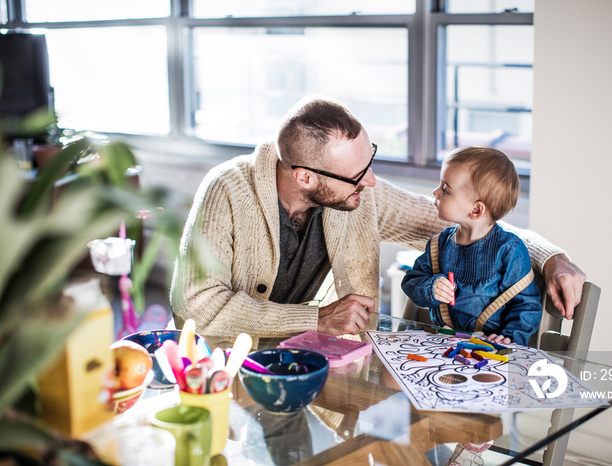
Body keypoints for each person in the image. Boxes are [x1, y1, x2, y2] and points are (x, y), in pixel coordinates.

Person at [170, 95, 585, 348]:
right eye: (356, 175)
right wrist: (315, 319)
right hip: (221, 368)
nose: (369, 181)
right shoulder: (227, 190)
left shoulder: (361, 194)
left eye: (370, 162)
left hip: (320, 363)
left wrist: (550, 257)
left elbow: (467, 228)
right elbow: (196, 305)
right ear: (305, 177)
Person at [400, 147, 541, 346]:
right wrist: (430, 288)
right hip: (443, 344)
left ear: (476, 210)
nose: (435, 192)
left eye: (445, 189)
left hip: (489, 350)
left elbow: (527, 305)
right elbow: (411, 281)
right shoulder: (438, 245)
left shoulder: (509, 250)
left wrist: (510, 336)